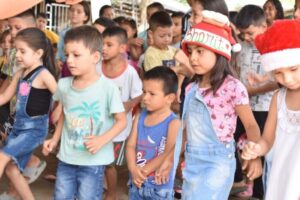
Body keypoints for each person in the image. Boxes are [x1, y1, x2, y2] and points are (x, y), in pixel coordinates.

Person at [174, 11, 261, 199]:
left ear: (219, 52)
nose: (193, 58)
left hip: (218, 163)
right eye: (191, 51)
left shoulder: (233, 87)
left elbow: (251, 125)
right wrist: (175, 159)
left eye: (200, 51)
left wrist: (255, 156)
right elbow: (186, 130)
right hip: (192, 161)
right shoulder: (191, 89)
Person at [43, 25, 127, 200]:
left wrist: (101, 140)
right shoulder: (64, 85)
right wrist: (55, 139)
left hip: (93, 162)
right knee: (61, 197)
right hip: (66, 158)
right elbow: (65, 114)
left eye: (76, 55)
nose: (70, 61)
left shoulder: (108, 88)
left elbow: (121, 121)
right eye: (67, 55)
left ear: (95, 57)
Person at [242, 19, 300, 200]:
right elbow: (267, 139)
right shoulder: (279, 99)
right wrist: (256, 149)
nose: (287, 79)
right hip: (282, 178)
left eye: (293, 69)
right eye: (278, 73)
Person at [0, 27, 57, 200]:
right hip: (18, 129)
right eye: (16, 50)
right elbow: (4, 97)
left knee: (2, 157)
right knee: (11, 169)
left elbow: (63, 96)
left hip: (34, 130)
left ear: (38, 53)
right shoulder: (19, 73)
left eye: (22, 51)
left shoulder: (44, 75)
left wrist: (59, 117)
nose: (17, 55)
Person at [235, 5, 279, 198]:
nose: (246, 38)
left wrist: (253, 90)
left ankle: (261, 192)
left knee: (264, 149)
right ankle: (241, 180)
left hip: (266, 107)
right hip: (244, 106)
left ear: (264, 25)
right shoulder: (242, 47)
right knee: (238, 141)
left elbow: (279, 81)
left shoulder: (275, 46)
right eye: (243, 34)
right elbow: (237, 69)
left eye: (250, 33)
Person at [100, 26, 143, 200]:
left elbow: (139, 94)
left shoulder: (130, 72)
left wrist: (129, 104)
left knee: (109, 164)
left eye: (109, 44)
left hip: (119, 129)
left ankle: (111, 194)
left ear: (122, 48)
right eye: (102, 44)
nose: (103, 48)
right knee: (97, 162)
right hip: (97, 125)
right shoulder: (96, 67)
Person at [126, 66, 180, 200]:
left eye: (152, 94)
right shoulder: (140, 117)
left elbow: (168, 152)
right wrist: (133, 169)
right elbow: (130, 146)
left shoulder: (173, 123)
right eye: (144, 92)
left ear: (169, 98)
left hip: (159, 189)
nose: (145, 98)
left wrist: (142, 172)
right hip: (136, 184)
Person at [56, 1, 90, 77]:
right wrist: (58, 60)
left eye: (79, 12)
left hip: (83, 66)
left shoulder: (88, 33)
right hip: (67, 65)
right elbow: (60, 49)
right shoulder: (63, 33)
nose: (74, 13)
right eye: (72, 10)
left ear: (86, 17)